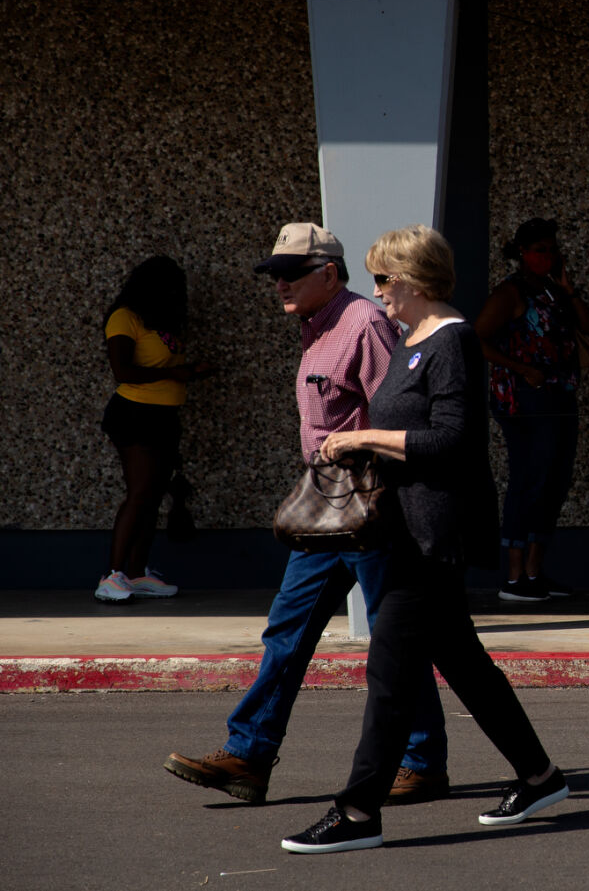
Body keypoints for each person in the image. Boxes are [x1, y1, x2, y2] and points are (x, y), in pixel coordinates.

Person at [283, 224, 566, 855]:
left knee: (389, 672)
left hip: (435, 533)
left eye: (382, 279)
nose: (377, 291)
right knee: (464, 663)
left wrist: (363, 438)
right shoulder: (415, 342)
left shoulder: (452, 341)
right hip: (408, 527)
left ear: (410, 278)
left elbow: (453, 441)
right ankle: (540, 777)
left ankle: (358, 812)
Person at [165, 223, 449, 806]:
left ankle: (421, 762)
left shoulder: (364, 324)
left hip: (369, 507)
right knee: (286, 632)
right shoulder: (317, 327)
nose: (280, 285)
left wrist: (371, 471)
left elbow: (398, 416)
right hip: (327, 509)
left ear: (328, 273)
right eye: (274, 275)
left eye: (292, 274)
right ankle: (248, 755)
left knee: (393, 641)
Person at [475, 218, 589, 602]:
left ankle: (535, 570)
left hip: (559, 395)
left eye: (552, 249)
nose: (548, 255)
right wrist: (521, 368)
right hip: (523, 400)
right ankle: (514, 576)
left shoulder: (554, 291)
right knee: (530, 478)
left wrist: (569, 290)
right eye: (540, 249)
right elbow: (475, 339)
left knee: (555, 480)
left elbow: (588, 329)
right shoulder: (510, 293)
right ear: (523, 254)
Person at [97, 255, 212, 603]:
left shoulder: (160, 321)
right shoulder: (124, 318)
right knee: (140, 492)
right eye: (169, 287)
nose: (176, 293)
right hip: (134, 413)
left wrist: (190, 371)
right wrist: (175, 374)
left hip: (164, 415)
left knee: (153, 498)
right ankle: (112, 576)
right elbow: (123, 371)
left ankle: (136, 573)